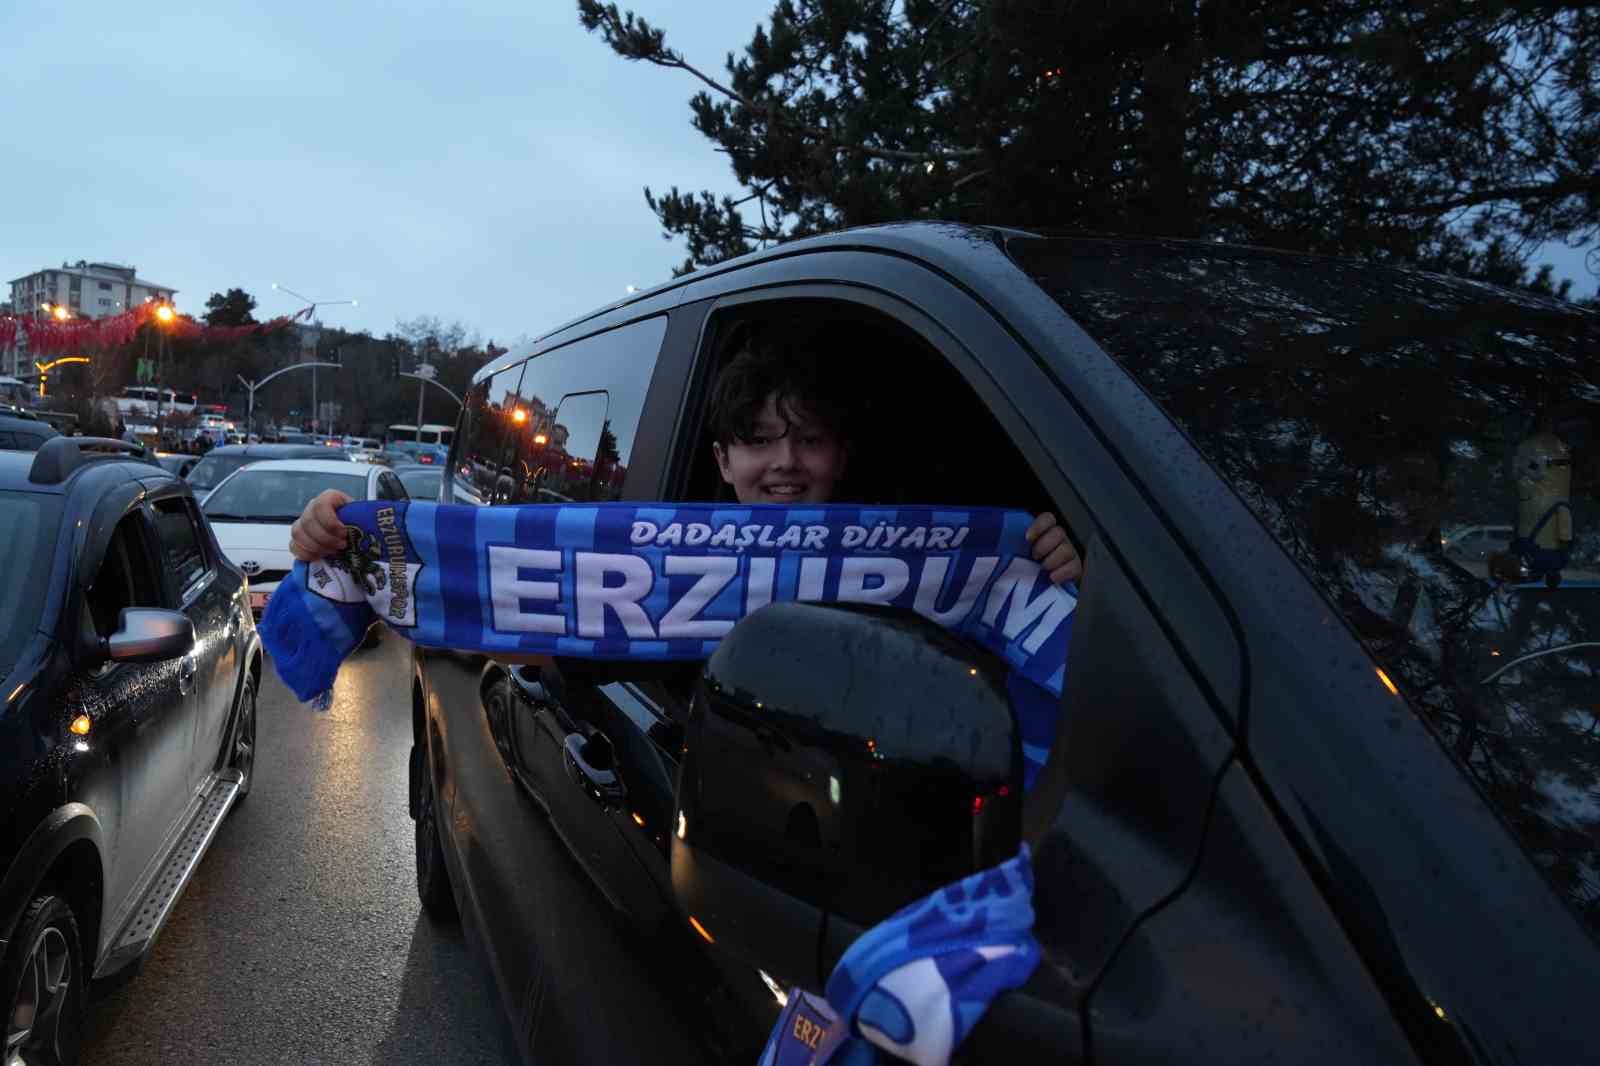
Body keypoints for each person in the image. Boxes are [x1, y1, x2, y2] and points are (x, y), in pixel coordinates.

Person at [290, 342, 1082, 585]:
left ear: (842, 456)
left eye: (809, 440)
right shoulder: (650, 556)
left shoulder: (922, 558)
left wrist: (1057, 577)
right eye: (761, 442)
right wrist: (343, 539)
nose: (786, 464)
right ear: (722, 458)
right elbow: (502, 610)